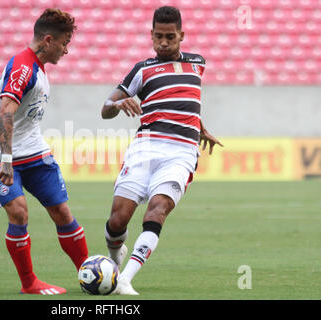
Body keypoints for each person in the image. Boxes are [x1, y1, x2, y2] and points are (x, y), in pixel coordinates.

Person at [101, 6, 223, 295]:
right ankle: (113, 259)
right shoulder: (142, 69)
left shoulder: (197, 63)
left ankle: (125, 279)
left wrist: (199, 128)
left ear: (182, 35)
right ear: (151, 35)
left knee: (157, 211)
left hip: (181, 152)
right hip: (145, 148)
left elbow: (186, 100)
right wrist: (118, 105)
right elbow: (105, 108)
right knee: (118, 220)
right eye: (158, 36)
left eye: (170, 36)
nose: (164, 42)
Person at [0, 8, 88, 295]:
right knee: (19, 214)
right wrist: (7, 161)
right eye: (64, 43)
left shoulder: (29, 66)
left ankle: (89, 274)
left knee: (62, 212)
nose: (66, 49)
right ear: (48, 40)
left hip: (34, 152)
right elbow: (6, 113)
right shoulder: (24, 66)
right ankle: (29, 284)